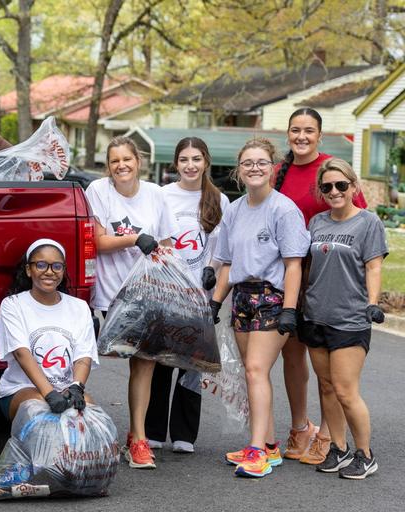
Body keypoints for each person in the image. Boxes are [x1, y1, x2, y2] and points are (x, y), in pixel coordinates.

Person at [210, 138, 310, 478]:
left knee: (255, 369)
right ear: (239, 170)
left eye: (261, 162)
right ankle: (267, 445)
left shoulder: (283, 209)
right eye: (248, 162)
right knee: (253, 373)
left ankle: (257, 454)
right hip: (241, 297)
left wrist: (290, 310)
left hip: (273, 298)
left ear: (273, 167)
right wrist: (215, 302)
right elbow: (226, 262)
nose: (254, 168)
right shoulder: (234, 210)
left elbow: (294, 264)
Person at [274, 108, 368, 464]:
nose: (301, 136)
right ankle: (301, 427)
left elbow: (360, 228)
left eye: (308, 131)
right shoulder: (277, 174)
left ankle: (330, 436)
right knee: (292, 355)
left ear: (320, 135)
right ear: (288, 134)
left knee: (328, 372)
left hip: (330, 284)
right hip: (293, 280)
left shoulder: (333, 171)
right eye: (295, 130)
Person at [85, 136, 178, 469]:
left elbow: (166, 243)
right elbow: (97, 242)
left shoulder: (156, 194)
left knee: (144, 363)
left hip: (149, 291)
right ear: (108, 167)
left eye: (127, 159)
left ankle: (137, 438)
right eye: (114, 161)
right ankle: (86, 427)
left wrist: (174, 285)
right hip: (115, 294)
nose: (121, 166)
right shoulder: (98, 191)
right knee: (108, 357)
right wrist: (134, 238)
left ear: (139, 162)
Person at [300, 158, 386, 479]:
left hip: (350, 319)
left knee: (346, 390)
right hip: (315, 316)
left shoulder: (368, 223)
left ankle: (365, 454)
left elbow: (373, 266)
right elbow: (308, 268)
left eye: (341, 185)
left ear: (353, 187)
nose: (334, 191)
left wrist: (373, 303)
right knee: (325, 387)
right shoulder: (317, 223)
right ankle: (338, 447)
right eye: (327, 187)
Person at [144, 137, 230, 453]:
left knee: (191, 366)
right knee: (160, 360)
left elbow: (223, 246)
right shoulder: (162, 195)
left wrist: (213, 269)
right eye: (184, 159)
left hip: (200, 294)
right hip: (165, 290)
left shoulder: (219, 200)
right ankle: (153, 429)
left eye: (196, 159)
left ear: (206, 161)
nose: (190, 165)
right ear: (176, 163)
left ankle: (184, 434)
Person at [0, 238, 99, 422]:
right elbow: (21, 353)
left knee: (90, 415)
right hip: (21, 389)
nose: (49, 272)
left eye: (56, 266)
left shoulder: (80, 307)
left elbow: (83, 355)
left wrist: (76, 387)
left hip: (65, 389)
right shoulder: (13, 305)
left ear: (63, 270)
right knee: (43, 412)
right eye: (41, 265)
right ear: (29, 269)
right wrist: (50, 394)